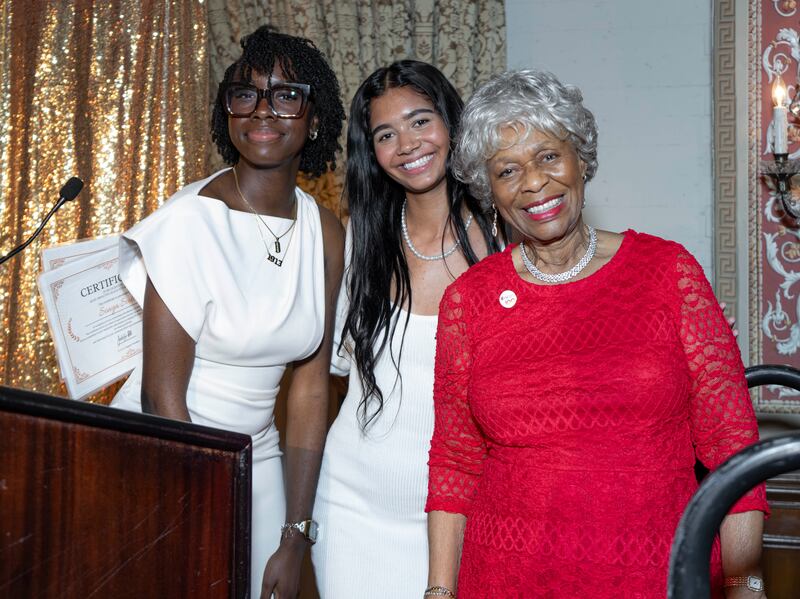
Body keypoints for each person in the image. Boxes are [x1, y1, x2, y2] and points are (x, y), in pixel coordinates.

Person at [425, 69, 769, 599]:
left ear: (580, 159)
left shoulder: (668, 272)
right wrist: (439, 593)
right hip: (506, 575)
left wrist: (746, 583)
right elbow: (455, 461)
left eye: (547, 156)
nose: (533, 182)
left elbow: (731, 444)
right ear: (488, 190)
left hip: (655, 571)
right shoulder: (467, 301)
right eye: (507, 170)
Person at [111, 26, 345, 599]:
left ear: (314, 117)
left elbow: (311, 388)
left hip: (257, 456)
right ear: (228, 114)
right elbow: (162, 400)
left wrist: (296, 536)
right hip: (167, 455)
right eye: (246, 94)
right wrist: (204, 514)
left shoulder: (327, 232)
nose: (263, 110)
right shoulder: (190, 222)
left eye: (285, 94)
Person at [311, 60, 503, 598]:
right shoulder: (356, 243)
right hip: (353, 507)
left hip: (468, 513)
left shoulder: (506, 239)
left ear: (452, 124)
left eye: (422, 121)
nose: (408, 144)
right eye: (386, 134)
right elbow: (323, 376)